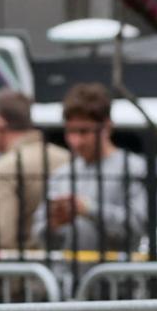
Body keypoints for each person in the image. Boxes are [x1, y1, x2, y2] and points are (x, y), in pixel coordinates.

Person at [31, 83, 148, 258]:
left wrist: (88, 209)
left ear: (107, 126)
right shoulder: (63, 174)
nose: (76, 141)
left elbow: (137, 226)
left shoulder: (134, 168)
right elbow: (40, 234)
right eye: (70, 131)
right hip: (67, 277)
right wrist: (54, 224)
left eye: (84, 131)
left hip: (116, 278)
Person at [0, 88, 68, 253]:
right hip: (66, 267)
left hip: (24, 270)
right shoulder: (66, 158)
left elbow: (4, 235)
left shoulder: (5, 167)